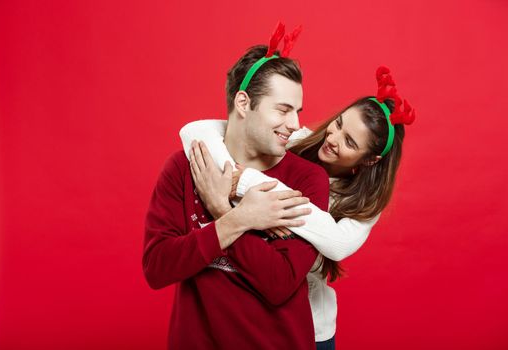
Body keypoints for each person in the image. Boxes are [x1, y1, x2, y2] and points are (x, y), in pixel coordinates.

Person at [180, 66, 415, 349]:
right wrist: (244, 189)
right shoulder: (295, 140)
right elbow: (194, 130)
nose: (332, 139)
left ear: (369, 160)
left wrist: (246, 187)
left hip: (309, 328)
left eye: (349, 142)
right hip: (245, 312)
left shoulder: (365, 204)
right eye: (339, 124)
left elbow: (337, 244)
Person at [143, 25, 331, 349]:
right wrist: (236, 219)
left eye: (297, 111)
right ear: (243, 103)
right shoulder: (186, 168)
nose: (295, 125)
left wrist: (220, 208)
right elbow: (157, 268)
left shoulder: (307, 179)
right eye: (283, 110)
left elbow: (280, 283)